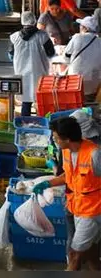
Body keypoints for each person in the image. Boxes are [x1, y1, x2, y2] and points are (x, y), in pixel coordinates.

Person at [34, 116, 101, 271]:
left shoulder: (94, 155)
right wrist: (48, 183)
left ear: (68, 138)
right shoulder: (66, 152)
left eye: (56, 138)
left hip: (93, 212)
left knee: (74, 254)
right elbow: (68, 177)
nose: (54, 140)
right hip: (77, 208)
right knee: (91, 252)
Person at [9, 11, 55, 117]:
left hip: (22, 74)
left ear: (22, 21)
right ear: (34, 21)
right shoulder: (43, 36)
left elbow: (11, 55)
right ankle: (43, 123)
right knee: (41, 101)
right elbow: (51, 53)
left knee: (26, 101)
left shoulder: (14, 37)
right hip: (40, 73)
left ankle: (26, 124)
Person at [64, 16, 101, 101]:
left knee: (76, 101)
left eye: (81, 26)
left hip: (76, 81)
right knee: (89, 102)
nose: (79, 28)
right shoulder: (100, 41)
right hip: (95, 82)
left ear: (85, 28)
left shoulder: (77, 37)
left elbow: (66, 56)